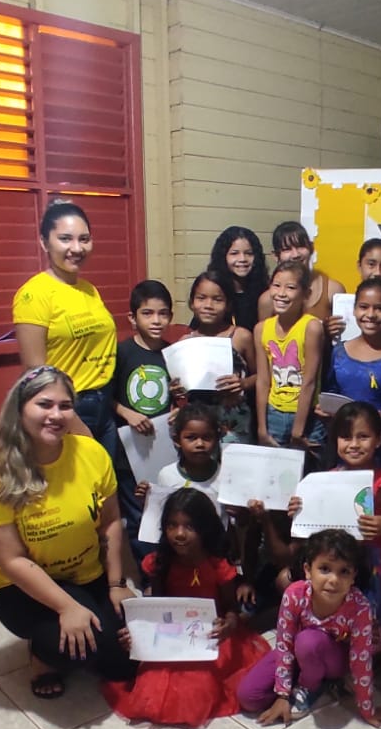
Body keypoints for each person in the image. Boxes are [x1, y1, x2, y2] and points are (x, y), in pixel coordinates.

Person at [0, 366, 135, 699]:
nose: (56, 415)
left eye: (65, 406)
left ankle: (83, 623)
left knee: (125, 663)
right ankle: (42, 657)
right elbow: (12, 560)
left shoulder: (92, 453)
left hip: (87, 575)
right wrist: (67, 607)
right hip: (21, 588)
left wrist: (116, 584)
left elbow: (112, 521)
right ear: (19, 409)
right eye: (44, 404)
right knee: (82, 649)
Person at [104, 488, 266, 729]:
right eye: (171, 525)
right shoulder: (160, 563)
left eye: (189, 527)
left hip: (210, 636)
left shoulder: (217, 565)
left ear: (205, 528)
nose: (179, 534)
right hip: (172, 633)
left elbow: (231, 609)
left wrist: (228, 626)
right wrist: (139, 634)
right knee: (151, 683)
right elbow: (156, 610)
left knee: (198, 686)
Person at [237, 530, 381, 727]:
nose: (333, 580)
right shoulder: (294, 594)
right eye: (324, 569)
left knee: (309, 641)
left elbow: (361, 659)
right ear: (308, 570)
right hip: (299, 654)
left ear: (353, 576)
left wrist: (367, 709)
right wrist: (282, 694)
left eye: (344, 571)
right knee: (248, 697)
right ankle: (309, 681)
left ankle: (311, 686)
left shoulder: (360, 607)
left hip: (333, 659)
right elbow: (284, 644)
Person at [300, 402, 381, 650]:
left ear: (378, 440)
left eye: (363, 437)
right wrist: (300, 511)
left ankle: (372, 656)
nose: (354, 444)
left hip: (376, 569)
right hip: (337, 567)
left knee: (374, 625)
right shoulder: (326, 480)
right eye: (345, 437)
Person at [13, 200, 116, 449]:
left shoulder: (89, 290)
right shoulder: (34, 294)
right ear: (44, 242)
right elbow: (35, 371)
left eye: (84, 239)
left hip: (105, 402)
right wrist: (74, 423)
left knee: (102, 482)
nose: (77, 248)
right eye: (65, 239)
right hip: (67, 408)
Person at [324, 277, 381, 474]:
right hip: (345, 448)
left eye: (379, 308)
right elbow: (331, 392)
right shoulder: (339, 352)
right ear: (354, 309)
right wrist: (325, 410)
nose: (370, 315)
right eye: (364, 307)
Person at [112, 280, 175, 547]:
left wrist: (176, 410)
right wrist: (128, 414)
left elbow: (178, 395)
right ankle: (144, 571)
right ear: (133, 318)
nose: (156, 320)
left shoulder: (172, 353)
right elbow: (107, 397)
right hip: (130, 450)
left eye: (163, 313)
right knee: (137, 513)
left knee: (164, 508)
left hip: (163, 448)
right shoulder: (122, 352)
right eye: (147, 313)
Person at [178, 270, 256, 444]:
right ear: (192, 303)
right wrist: (176, 389)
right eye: (201, 298)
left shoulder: (240, 337)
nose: (208, 305)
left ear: (228, 305)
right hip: (198, 426)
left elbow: (260, 376)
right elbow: (179, 386)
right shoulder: (185, 342)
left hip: (234, 423)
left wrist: (243, 384)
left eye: (217, 299)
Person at [256, 260, 325, 448]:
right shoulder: (261, 329)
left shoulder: (311, 327)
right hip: (274, 414)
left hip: (305, 416)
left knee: (307, 472)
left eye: (291, 287)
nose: (281, 294)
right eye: (276, 285)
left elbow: (309, 381)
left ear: (306, 294)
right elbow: (263, 380)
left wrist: (298, 430)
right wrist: (262, 429)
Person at [262, 221, 344, 320]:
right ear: (275, 256)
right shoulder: (268, 299)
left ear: (311, 248)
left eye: (300, 246)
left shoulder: (332, 289)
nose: (295, 254)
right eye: (287, 249)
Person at [207, 226, 269, 330]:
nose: (242, 259)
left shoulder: (264, 293)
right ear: (223, 256)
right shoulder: (214, 290)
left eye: (249, 253)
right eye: (234, 253)